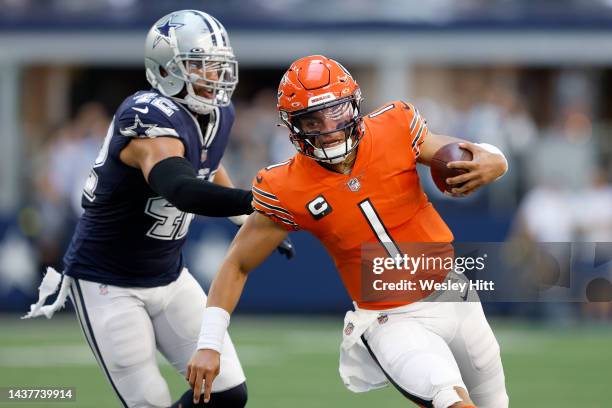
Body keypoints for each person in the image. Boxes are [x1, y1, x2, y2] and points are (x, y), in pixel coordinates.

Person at [186, 55, 509, 408]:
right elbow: (237, 263)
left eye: (335, 111)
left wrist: (496, 159)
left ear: (353, 104)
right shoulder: (286, 185)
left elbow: (470, 155)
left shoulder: (395, 126)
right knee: (452, 403)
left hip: (455, 294)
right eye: (311, 119)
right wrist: (209, 342)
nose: (328, 126)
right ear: (292, 126)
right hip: (391, 320)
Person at [24, 10, 294, 408]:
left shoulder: (218, 114)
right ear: (168, 68)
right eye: (202, 66)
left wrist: (248, 218)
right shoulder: (146, 116)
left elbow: (206, 162)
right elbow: (182, 188)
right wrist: (261, 203)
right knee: (149, 402)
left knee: (227, 394)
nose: (215, 77)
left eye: (219, 66)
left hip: (169, 276)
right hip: (108, 282)